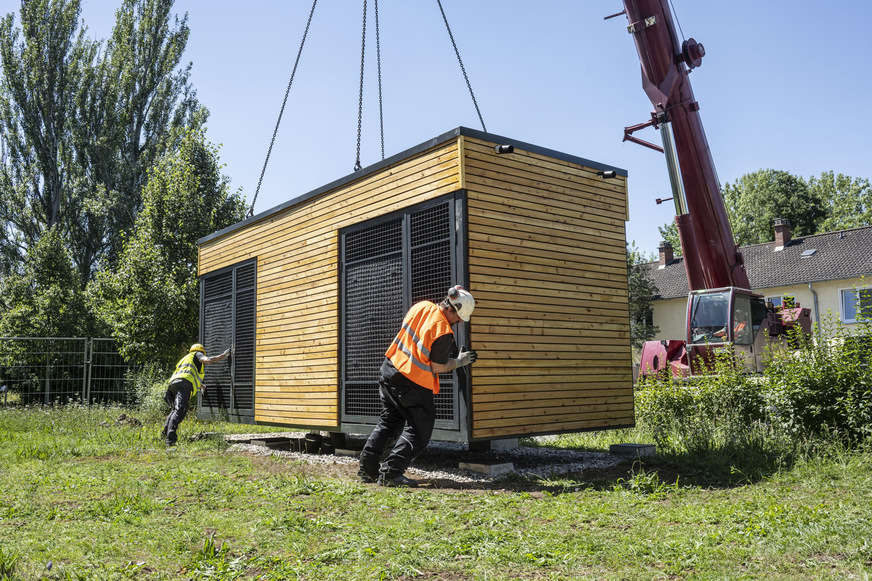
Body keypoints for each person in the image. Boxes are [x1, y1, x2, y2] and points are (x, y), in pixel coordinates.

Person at [358, 285, 478, 487]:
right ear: (452, 309)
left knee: (388, 423)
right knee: (420, 430)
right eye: (458, 318)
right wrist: (459, 361)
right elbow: (438, 367)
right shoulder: (443, 331)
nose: (457, 322)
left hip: (389, 369)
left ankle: (367, 470)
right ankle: (391, 473)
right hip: (411, 382)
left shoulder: (422, 306)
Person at [162, 343, 230, 445]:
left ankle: (164, 436)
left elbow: (189, 375)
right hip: (183, 384)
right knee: (180, 410)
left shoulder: (186, 358)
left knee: (174, 411)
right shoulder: (197, 354)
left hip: (173, 384)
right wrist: (222, 356)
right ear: (201, 351)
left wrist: (201, 386)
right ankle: (170, 440)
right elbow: (207, 360)